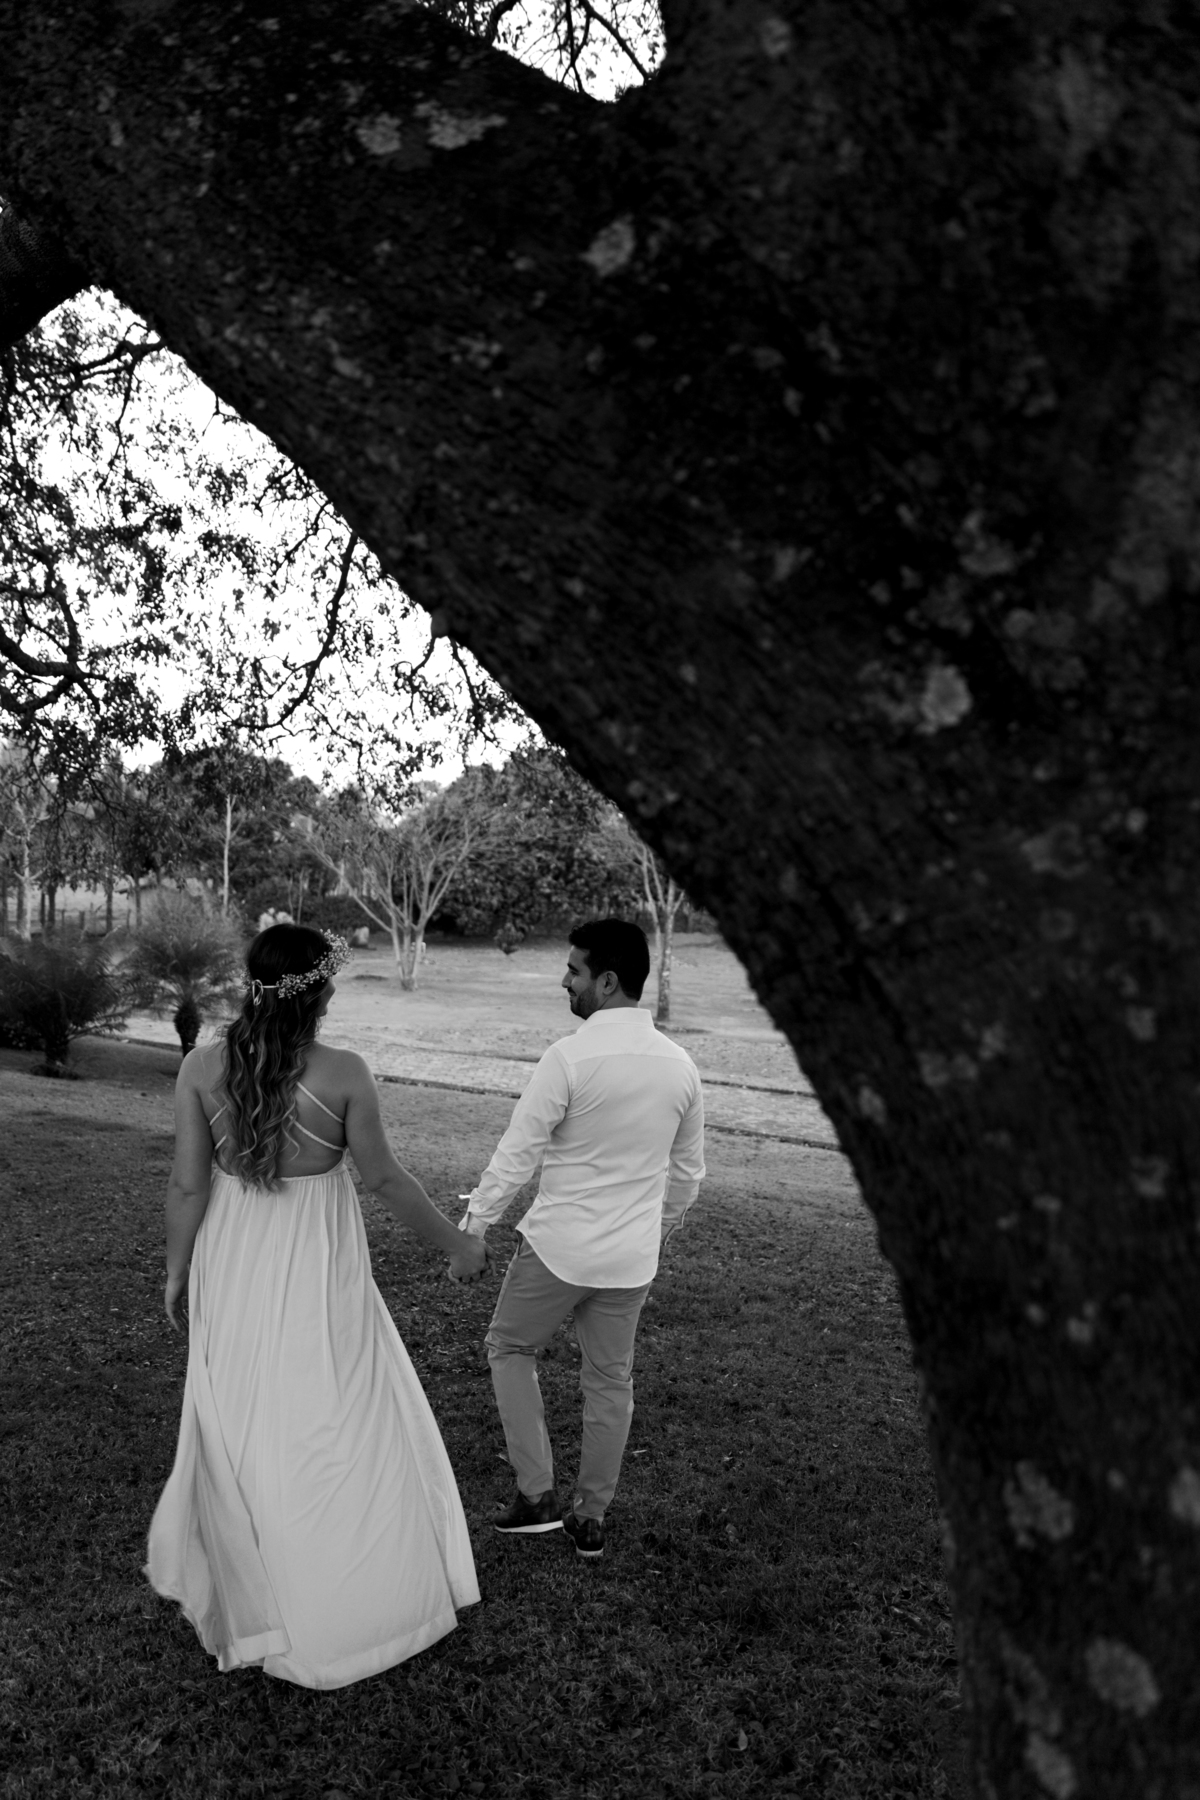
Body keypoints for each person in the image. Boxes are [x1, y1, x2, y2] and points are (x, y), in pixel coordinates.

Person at [146, 924, 486, 1689]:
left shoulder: (202, 1068)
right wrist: (456, 1247)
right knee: (333, 1408)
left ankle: (266, 1585)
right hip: (316, 1260)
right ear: (320, 991)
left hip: (232, 1258)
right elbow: (388, 1181)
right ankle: (345, 1597)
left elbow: (189, 1184)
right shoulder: (344, 1073)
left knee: (244, 1411)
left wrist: (177, 1270)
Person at [460, 918, 705, 1560]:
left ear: (607, 980)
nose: (564, 980)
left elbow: (518, 1153)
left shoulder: (568, 1057)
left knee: (509, 1347)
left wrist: (475, 1225)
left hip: (560, 1249)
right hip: (630, 1261)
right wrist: (655, 1232)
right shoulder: (681, 1067)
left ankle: (537, 1496)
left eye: (573, 971)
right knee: (609, 1381)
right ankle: (591, 1516)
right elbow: (687, 1174)